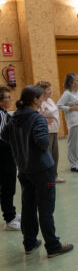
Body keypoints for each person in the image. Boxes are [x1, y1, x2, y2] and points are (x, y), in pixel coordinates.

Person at [1, 85, 73, 257]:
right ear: (34, 100)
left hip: (24, 170)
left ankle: (30, 242)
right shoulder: (36, 118)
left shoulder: (15, 116)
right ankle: (53, 245)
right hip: (42, 170)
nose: (42, 101)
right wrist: (42, 127)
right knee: (46, 209)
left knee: (28, 207)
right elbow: (42, 142)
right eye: (41, 98)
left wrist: (21, 144)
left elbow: (4, 136)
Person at [0, 86, 21, 231]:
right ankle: (9, 219)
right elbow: (2, 138)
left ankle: (11, 212)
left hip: (6, 156)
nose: (10, 99)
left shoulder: (4, 113)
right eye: (8, 97)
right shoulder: (1, 115)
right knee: (7, 187)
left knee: (9, 186)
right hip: (4, 157)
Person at [37, 81, 65, 183]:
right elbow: (35, 115)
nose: (50, 91)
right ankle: (46, 177)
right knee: (47, 155)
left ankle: (54, 175)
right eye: (48, 89)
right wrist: (44, 119)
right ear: (42, 91)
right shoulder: (39, 102)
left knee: (55, 155)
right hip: (46, 132)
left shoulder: (50, 100)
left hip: (54, 131)